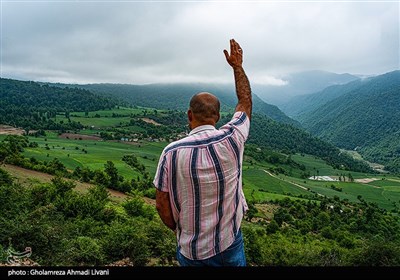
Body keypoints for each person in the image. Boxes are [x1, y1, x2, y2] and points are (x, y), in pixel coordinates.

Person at [153, 39, 252, 266]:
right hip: (230, 242)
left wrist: (181, 231)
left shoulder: (171, 153)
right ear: (217, 117)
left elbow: (161, 204)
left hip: (192, 251)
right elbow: (245, 102)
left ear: (189, 115)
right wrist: (237, 67)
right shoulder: (233, 138)